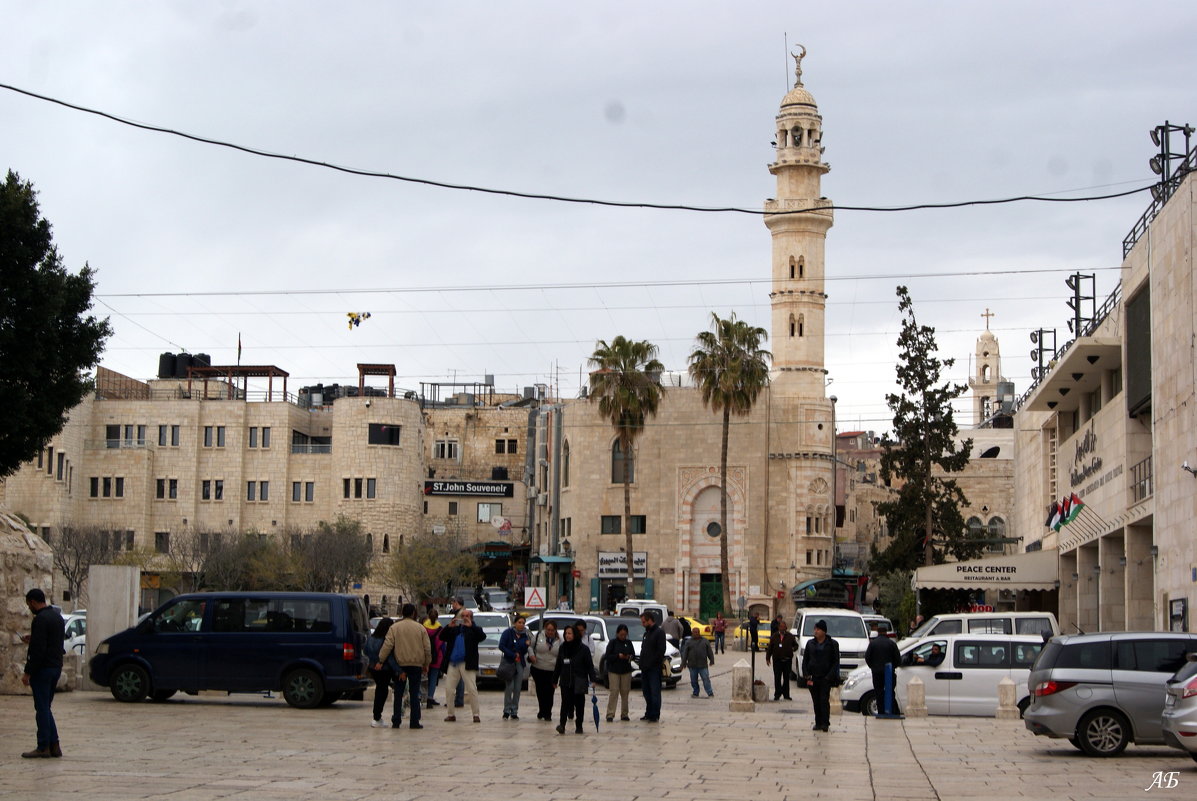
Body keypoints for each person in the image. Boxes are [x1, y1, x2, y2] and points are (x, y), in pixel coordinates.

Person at [21, 588, 65, 758]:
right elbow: (52, 641)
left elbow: (38, 650)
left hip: (43, 670)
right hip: (56, 667)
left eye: (29, 604)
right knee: (46, 707)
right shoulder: (56, 617)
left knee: (41, 708)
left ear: (32, 602)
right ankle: (54, 745)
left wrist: (28, 672)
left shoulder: (40, 620)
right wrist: (33, 638)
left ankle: (43, 746)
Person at [376, 603, 432, 729]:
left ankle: (396, 720)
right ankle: (414, 721)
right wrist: (426, 663)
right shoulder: (420, 628)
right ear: (413, 613)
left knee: (399, 693)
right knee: (414, 693)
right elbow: (427, 648)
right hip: (416, 665)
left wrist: (381, 660)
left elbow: (387, 645)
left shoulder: (395, 628)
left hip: (400, 665)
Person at [437, 609, 486, 722]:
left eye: (467, 616)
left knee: (472, 689)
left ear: (471, 617)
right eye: (462, 616)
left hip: (467, 663)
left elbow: (482, 636)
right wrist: (449, 626)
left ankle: (476, 714)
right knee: (449, 689)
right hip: (453, 663)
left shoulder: (474, 629)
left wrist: (471, 626)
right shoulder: (455, 629)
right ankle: (451, 714)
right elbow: (441, 637)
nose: (464, 618)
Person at [553, 625, 595, 735]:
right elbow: (559, 664)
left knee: (579, 704)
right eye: (566, 633)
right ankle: (562, 725)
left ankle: (579, 725)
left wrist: (593, 679)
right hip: (566, 680)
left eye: (570, 633)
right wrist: (555, 679)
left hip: (579, 680)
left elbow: (589, 665)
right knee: (565, 703)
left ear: (575, 634)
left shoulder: (583, 649)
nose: (567, 635)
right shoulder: (563, 648)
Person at [801, 619, 840, 732]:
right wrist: (806, 674)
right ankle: (818, 722)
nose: (815, 631)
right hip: (813, 677)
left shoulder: (832, 644)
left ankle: (825, 723)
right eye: (815, 629)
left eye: (818, 629)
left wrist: (829, 676)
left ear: (824, 631)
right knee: (816, 701)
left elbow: (835, 662)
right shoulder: (810, 643)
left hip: (825, 677)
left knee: (824, 700)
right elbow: (805, 660)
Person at [365, 617, 396, 727]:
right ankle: (377, 716)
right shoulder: (386, 640)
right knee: (382, 692)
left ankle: (377, 716)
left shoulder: (371, 638)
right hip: (384, 668)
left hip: (373, 668)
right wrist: (398, 670)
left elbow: (366, 651)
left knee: (380, 690)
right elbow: (390, 657)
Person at [865, 624, 903, 714]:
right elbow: (898, 659)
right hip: (889, 672)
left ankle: (881, 711)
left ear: (878, 632)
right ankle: (893, 711)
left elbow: (867, 657)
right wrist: (894, 666)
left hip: (877, 672)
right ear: (886, 632)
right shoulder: (892, 644)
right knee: (890, 692)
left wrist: (873, 667)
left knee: (879, 692)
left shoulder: (873, 644)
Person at [528, 620, 561, 721]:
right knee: (540, 691)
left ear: (555, 630)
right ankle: (542, 709)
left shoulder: (559, 640)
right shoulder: (538, 636)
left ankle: (548, 712)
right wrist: (531, 655)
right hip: (538, 667)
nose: (550, 632)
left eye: (552, 630)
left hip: (552, 670)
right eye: (548, 630)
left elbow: (561, 654)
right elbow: (530, 647)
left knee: (549, 692)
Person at [498, 615, 529, 720]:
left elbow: (523, 649)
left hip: (519, 663)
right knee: (509, 687)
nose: (521, 625)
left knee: (517, 688)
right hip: (509, 662)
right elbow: (501, 646)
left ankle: (514, 710)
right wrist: (512, 654)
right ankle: (506, 710)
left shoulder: (525, 635)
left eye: (523, 623)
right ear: (515, 623)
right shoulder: (508, 633)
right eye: (519, 622)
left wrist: (526, 645)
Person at [604, 623, 635, 721]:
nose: (623, 637)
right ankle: (610, 713)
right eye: (621, 635)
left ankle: (624, 714)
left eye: (625, 635)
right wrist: (618, 656)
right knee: (614, 691)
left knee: (625, 692)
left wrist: (628, 657)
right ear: (617, 634)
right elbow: (608, 656)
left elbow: (633, 655)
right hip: (614, 670)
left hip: (626, 670)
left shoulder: (628, 643)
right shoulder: (612, 643)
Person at [638, 611, 666, 722]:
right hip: (645, 668)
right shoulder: (647, 633)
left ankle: (655, 714)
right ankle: (648, 712)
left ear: (650, 620)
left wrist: (652, 663)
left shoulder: (659, 633)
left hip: (654, 668)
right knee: (646, 692)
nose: (642, 624)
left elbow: (660, 651)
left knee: (654, 692)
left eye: (644, 622)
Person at [765, 625, 798, 701]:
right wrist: (768, 658)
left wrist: (792, 649)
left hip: (787, 660)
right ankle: (777, 694)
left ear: (786, 628)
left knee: (786, 678)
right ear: (779, 628)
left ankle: (786, 694)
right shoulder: (774, 636)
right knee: (777, 678)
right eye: (781, 627)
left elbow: (796, 645)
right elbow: (770, 648)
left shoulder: (790, 636)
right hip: (777, 661)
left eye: (784, 627)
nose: (782, 629)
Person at [682, 626, 715, 698]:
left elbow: (710, 652)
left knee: (706, 679)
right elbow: (685, 653)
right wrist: (683, 663)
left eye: (697, 632)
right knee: (693, 681)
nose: (696, 634)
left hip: (702, 665)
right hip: (692, 665)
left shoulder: (705, 641)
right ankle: (695, 692)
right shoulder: (688, 642)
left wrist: (712, 660)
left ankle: (710, 692)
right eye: (695, 632)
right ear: (692, 633)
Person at [422, 609, 444, 708]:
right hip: (436, 657)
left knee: (422, 678)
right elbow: (442, 645)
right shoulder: (440, 629)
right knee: (433, 678)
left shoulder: (423, 628)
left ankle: (421, 696)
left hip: (424, 657)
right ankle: (430, 698)